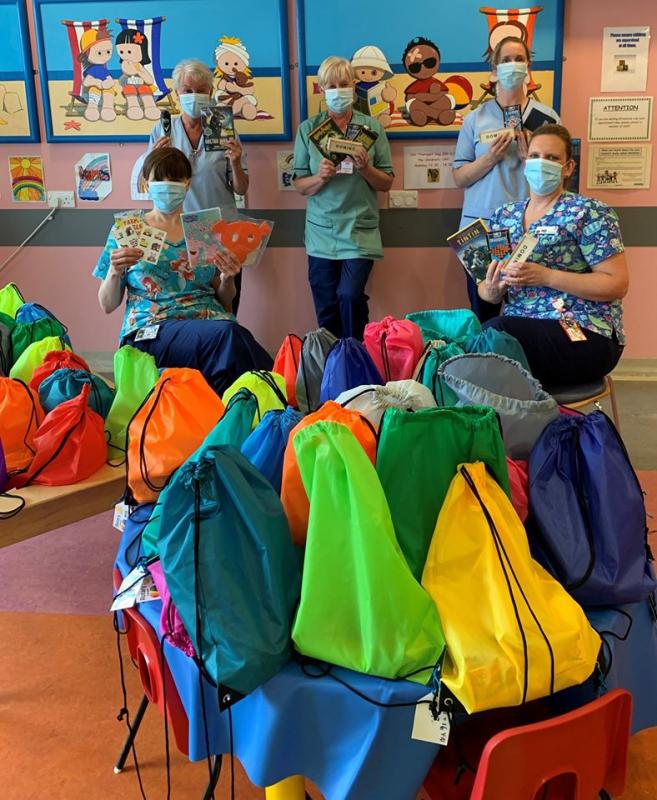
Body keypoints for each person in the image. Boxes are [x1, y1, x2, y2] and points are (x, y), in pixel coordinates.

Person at [93, 147, 272, 395]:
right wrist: (114, 271)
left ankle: (232, 413)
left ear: (187, 184)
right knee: (230, 337)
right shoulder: (127, 231)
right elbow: (107, 304)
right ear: (146, 184)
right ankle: (274, 403)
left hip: (209, 322)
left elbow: (224, 302)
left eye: (175, 179)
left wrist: (227, 278)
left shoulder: (203, 230)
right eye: (159, 179)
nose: (167, 185)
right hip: (151, 329)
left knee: (230, 340)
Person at [479, 124, 628, 388]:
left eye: (552, 158)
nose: (541, 163)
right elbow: (489, 283)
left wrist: (547, 276)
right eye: (535, 156)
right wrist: (491, 290)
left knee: (496, 337)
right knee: (475, 335)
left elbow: (616, 283)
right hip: (519, 327)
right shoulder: (503, 217)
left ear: (568, 168)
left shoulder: (589, 212)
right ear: (525, 162)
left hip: (583, 330)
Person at [452, 36, 560, 321]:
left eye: (519, 59)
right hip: (481, 229)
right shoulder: (474, 119)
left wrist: (530, 160)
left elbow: (560, 180)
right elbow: (459, 177)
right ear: (494, 69)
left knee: (528, 312)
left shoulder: (546, 118)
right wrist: (490, 158)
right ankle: (485, 365)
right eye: (506, 60)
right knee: (484, 310)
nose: (513, 65)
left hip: (528, 230)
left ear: (528, 67)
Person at [293, 55, 394, 340]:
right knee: (326, 307)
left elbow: (386, 182)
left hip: (359, 230)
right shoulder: (308, 130)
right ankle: (332, 365)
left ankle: (356, 355)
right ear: (321, 89)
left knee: (349, 296)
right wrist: (320, 177)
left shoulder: (371, 129)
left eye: (344, 83)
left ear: (354, 86)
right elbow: (300, 184)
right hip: (321, 231)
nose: (338, 90)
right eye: (331, 85)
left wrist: (365, 168)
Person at [147, 59, 248, 314]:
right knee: (186, 305)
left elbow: (241, 189)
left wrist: (235, 162)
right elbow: (149, 183)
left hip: (222, 229)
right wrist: (156, 159)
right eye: (187, 91)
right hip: (178, 232)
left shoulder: (223, 128)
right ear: (177, 93)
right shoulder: (163, 129)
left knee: (226, 303)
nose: (194, 96)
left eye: (201, 90)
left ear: (211, 93)